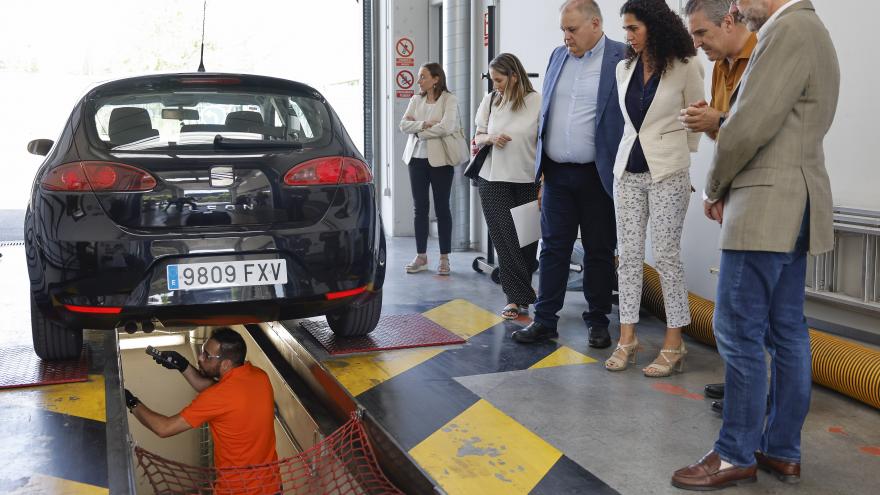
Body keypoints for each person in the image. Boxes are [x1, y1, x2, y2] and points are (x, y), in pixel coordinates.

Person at [672, 0, 839, 490]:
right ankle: (780, 450)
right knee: (786, 330)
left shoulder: (787, 31)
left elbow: (748, 126)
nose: (739, 8)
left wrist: (714, 187)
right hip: (796, 201)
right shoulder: (812, 30)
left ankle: (734, 454)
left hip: (767, 205)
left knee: (738, 329)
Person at [511, 0, 626, 349]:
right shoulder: (557, 57)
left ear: (595, 24)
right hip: (558, 174)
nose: (566, 37)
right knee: (553, 249)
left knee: (599, 250)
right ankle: (545, 320)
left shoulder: (621, 58)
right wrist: (543, 175)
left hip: (598, 175)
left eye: (572, 30)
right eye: (563, 29)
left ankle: (597, 321)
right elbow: (548, 114)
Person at [604, 0, 704, 377]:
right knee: (628, 257)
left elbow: (696, 118)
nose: (627, 36)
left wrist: (681, 161)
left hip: (669, 172)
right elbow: (629, 124)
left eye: (634, 29)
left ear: (655, 26)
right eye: (625, 29)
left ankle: (674, 344)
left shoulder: (686, 64)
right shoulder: (623, 67)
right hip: (627, 170)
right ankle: (627, 339)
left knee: (665, 256)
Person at [682, 0, 757, 413]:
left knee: (749, 308)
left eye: (702, 34)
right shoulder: (718, 68)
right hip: (735, 190)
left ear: (729, 20)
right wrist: (708, 121)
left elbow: (755, 131)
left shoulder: (763, 55)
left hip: (761, 196)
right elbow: (726, 134)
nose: (697, 44)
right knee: (734, 306)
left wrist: (717, 121)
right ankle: (742, 383)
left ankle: (754, 395)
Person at [125, 327, 280, 494]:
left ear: (226, 364)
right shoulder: (259, 377)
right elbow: (216, 390)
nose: (200, 357)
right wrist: (183, 365)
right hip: (272, 486)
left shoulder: (217, 397)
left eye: (207, 355)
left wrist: (130, 401)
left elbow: (164, 428)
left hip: (237, 490)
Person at [473, 53, 542, 320]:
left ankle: (521, 292)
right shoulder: (490, 101)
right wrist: (490, 137)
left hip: (528, 180)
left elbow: (545, 141)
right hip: (492, 180)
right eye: (492, 80)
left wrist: (544, 179)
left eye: (499, 80)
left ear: (514, 76)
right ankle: (515, 299)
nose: (495, 85)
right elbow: (477, 137)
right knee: (506, 240)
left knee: (527, 242)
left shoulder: (537, 101)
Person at [399, 63, 463, 276]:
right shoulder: (415, 100)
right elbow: (403, 125)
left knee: (442, 208)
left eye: (423, 77)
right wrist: (426, 123)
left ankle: (444, 258)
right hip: (416, 159)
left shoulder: (449, 100)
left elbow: (448, 126)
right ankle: (421, 256)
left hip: (441, 161)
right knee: (420, 209)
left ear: (436, 79)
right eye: (419, 77)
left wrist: (419, 130)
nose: (419, 81)